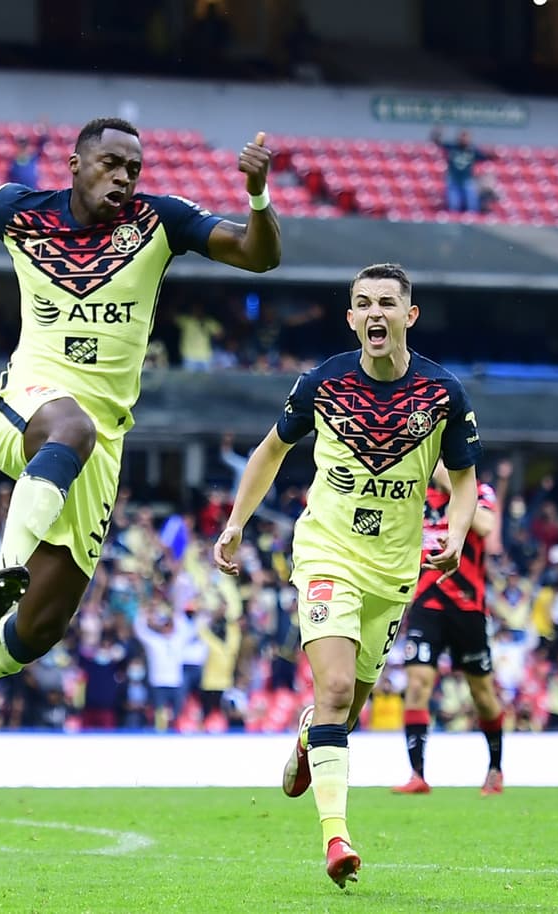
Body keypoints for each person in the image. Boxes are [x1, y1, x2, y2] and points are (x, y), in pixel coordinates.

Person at [0, 117, 280, 752]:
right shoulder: (20, 211)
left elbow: (258, 255)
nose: (123, 177)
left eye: (133, 169)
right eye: (111, 163)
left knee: (42, 628)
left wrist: (257, 196)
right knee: (69, 423)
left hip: (101, 442)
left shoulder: (159, 223)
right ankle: (6, 566)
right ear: (75, 163)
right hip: (26, 405)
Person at [213, 262, 482, 888]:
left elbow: (466, 477)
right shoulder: (322, 383)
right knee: (333, 690)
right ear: (351, 317)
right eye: (363, 304)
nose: (375, 313)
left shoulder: (443, 394)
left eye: (388, 303)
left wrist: (458, 535)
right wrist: (236, 523)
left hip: (394, 572)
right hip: (327, 554)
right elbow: (271, 450)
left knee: (347, 709)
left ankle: (312, 739)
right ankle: (337, 839)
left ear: (409, 316)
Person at [392, 462, 504, 796]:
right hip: (426, 602)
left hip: (468, 606)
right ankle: (417, 773)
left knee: (482, 694)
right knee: (417, 683)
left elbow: (485, 525)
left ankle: (495, 769)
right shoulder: (417, 497)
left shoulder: (478, 492)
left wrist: (451, 484)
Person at [430, 127, 491, 213]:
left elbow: (485, 157)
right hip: (453, 179)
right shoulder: (452, 147)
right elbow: (437, 142)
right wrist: (437, 133)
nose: (464, 139)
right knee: (453, 205)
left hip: (467, 179)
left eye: (466, 137)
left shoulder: (472, 150)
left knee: (472, 205)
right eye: (462, 136)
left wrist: (492, 155)